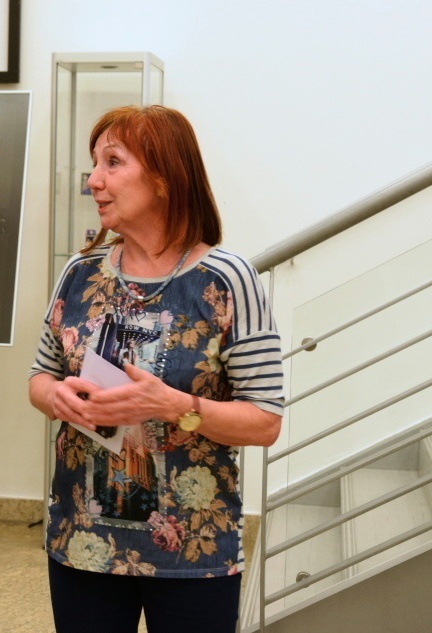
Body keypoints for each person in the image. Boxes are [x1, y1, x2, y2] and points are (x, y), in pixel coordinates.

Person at [29, 105, 284, 633]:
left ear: (164, 179)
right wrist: (55, 397)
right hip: (83, 544)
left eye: (112, 162)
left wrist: (174, 406)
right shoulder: (79, 274)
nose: (93, 180)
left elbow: (265, 421)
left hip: (192, 553)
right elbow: (40, 376)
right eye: (94, 164)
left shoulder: (227, 280)